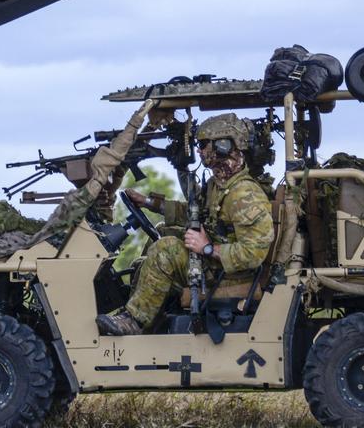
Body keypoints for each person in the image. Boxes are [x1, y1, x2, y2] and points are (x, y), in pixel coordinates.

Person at [96, 113, 274, 336]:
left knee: (167, 249)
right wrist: (149, 203)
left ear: (223, 145)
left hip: (230, 274)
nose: (200, 151)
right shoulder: (220, 185)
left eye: (204, 145)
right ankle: (142, 316)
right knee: (160, 234)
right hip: (215, 265)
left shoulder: (244, 194)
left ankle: (135, 321)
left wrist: (207, 248)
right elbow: (193, 213)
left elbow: (254, 253)